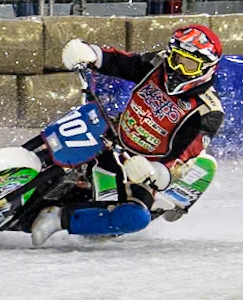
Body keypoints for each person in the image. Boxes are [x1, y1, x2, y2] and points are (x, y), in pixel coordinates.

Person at [30, 24, 224, 246]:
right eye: (176, 59)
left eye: (189, 65)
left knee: (135, 217)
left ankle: (59, 218)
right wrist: (92, 54)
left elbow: (185, 155)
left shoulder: (208, 111)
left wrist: (154, 172)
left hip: (141, 167)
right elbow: (123, 63)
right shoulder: (158, 65)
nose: (178, 69)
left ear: (206, 69)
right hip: (113, 134)